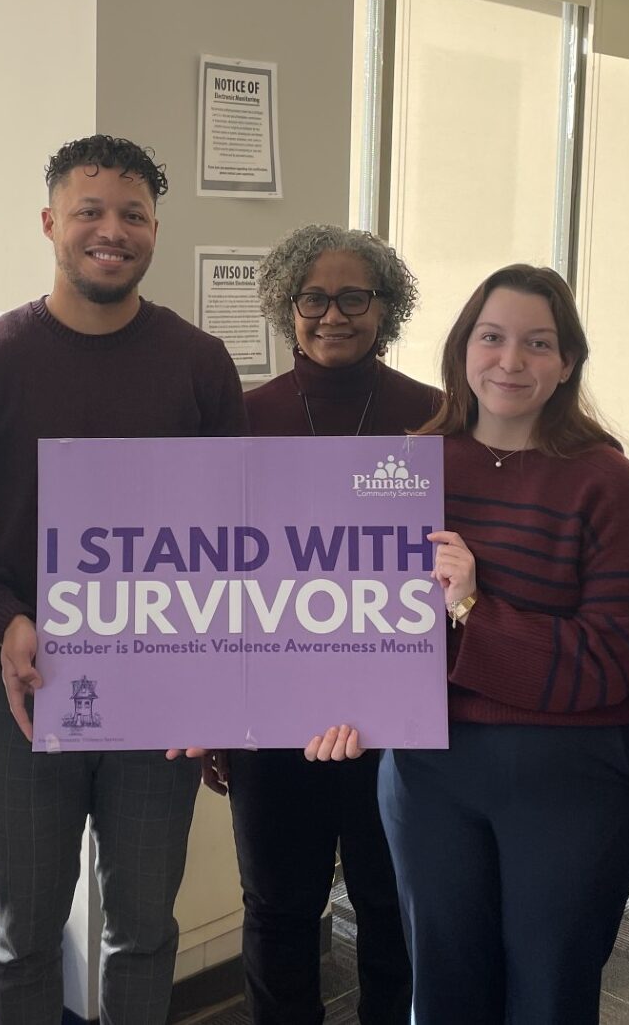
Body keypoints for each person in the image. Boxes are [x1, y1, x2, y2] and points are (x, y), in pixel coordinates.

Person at [0, 135, 247, 1025]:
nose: (111, 230)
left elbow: (235, 532)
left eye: (132, 214)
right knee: (23, 932)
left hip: (159, 700)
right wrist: (4, 615)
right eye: (89, 211)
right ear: (51, 222)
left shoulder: (200, 366)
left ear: (155, 231)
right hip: (26, 691)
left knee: (143, 930)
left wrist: (216, 689)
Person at [314, 264, 629, 1025]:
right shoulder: (401, 470)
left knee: (548, 992)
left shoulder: (607, 481)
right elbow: (344, 621)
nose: (512, 362)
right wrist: (339, 703)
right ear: (463, 349)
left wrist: (474, 608)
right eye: (494, 338)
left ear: (568, 361)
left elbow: (615, 658)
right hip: (428, 773)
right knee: (442, 989)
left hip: (567, 774)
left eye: (538, 344)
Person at [220, 224, 439, 1025]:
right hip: (273, 718)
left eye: (355, 297)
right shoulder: (240, 417)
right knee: (279, 912)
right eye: (314, 297)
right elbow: (211, 575)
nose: (334, 314)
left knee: (391, 909)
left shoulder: (435, 417)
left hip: (397, 714)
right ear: (287, 305)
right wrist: (215, 714)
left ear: (387, 307)